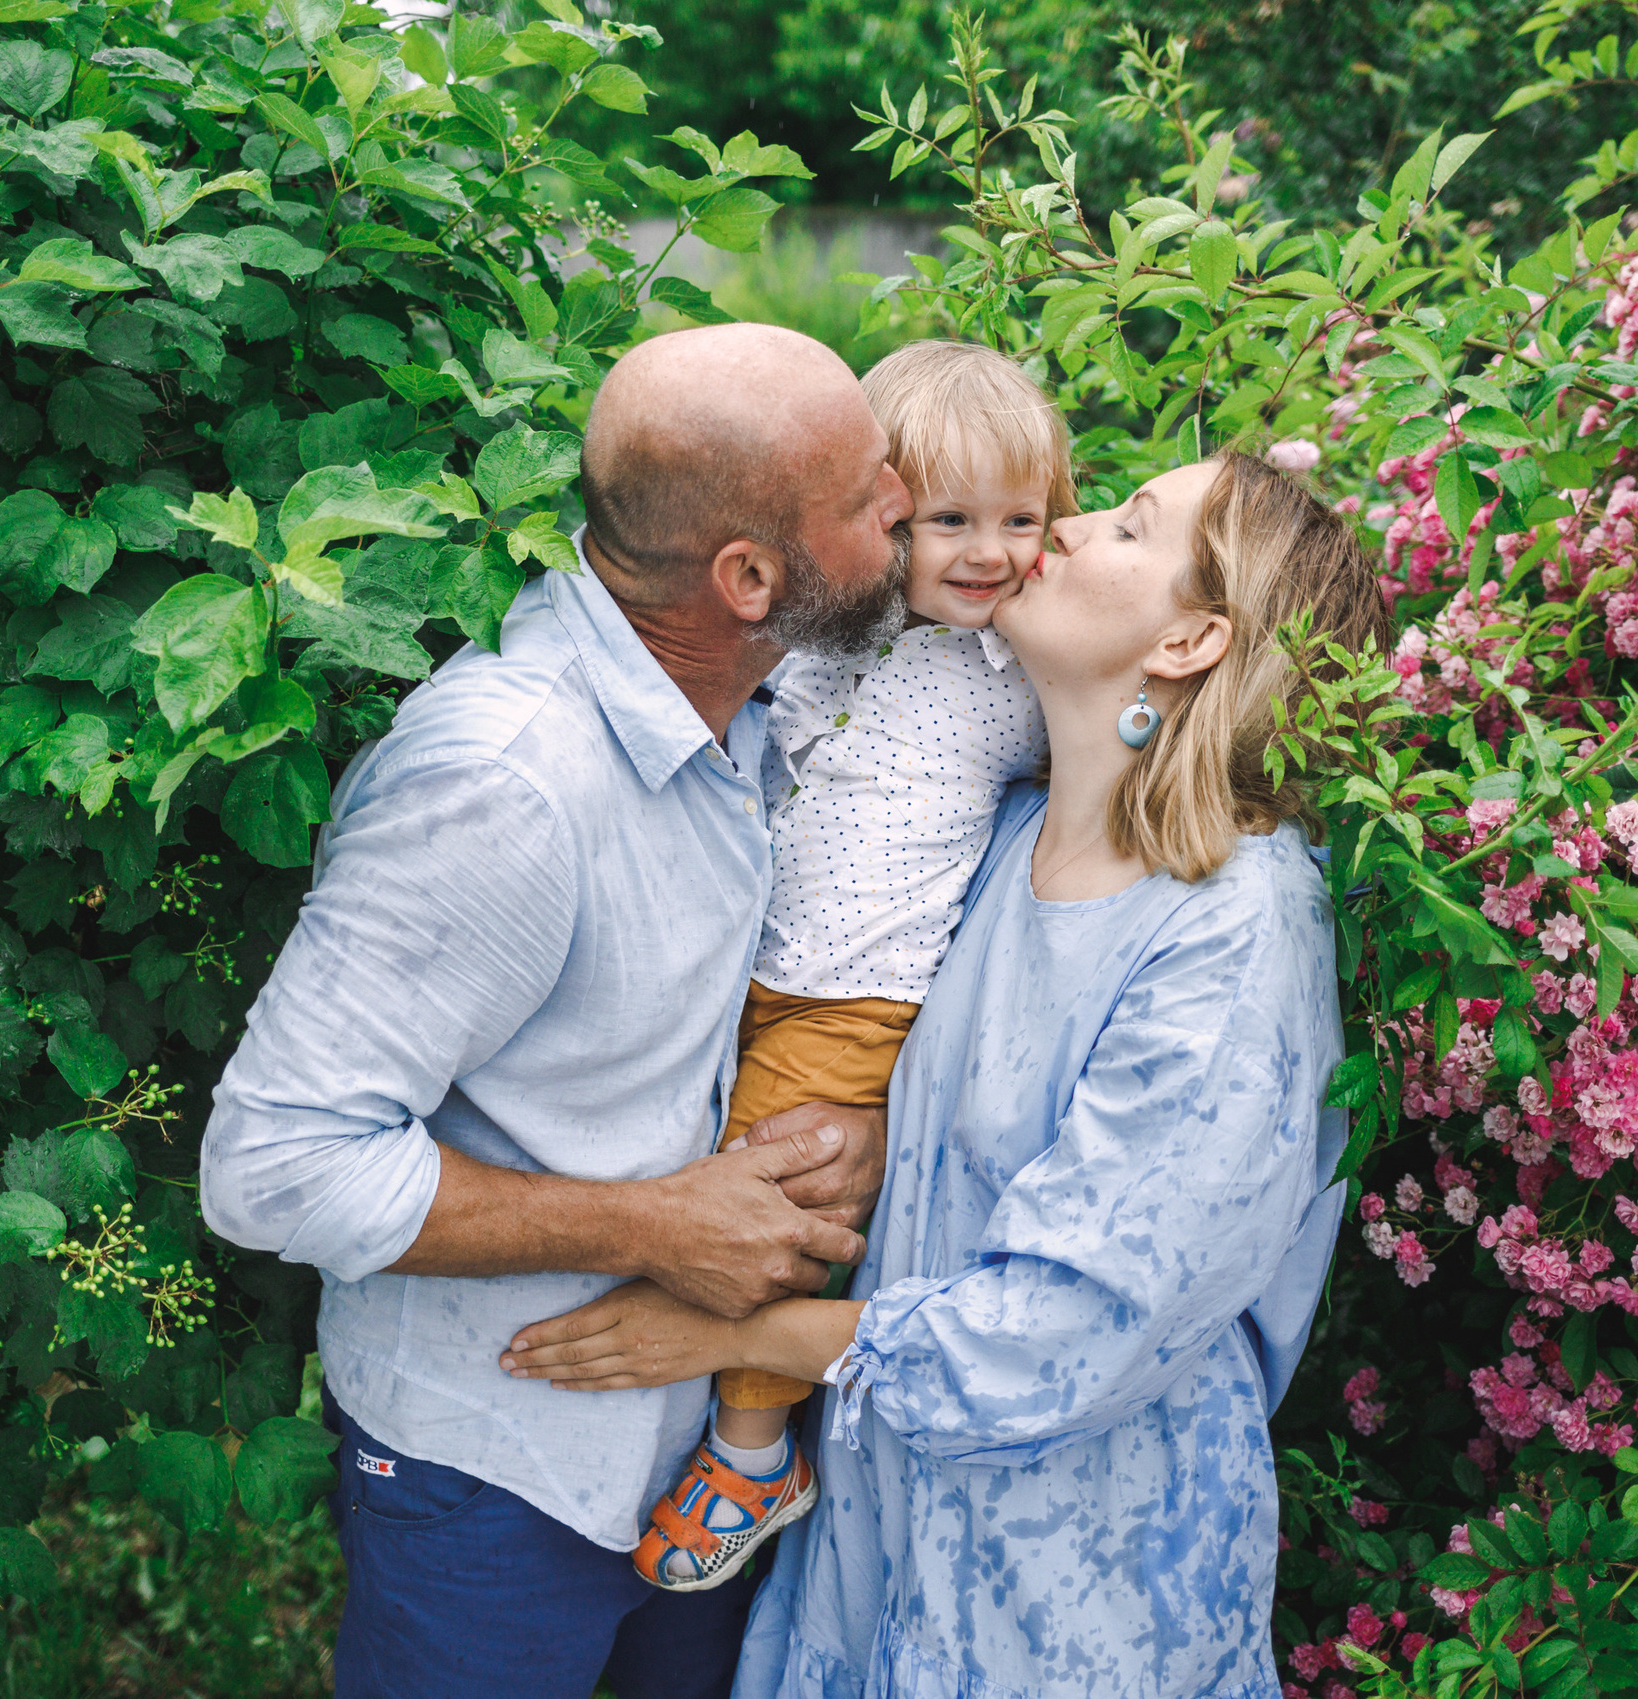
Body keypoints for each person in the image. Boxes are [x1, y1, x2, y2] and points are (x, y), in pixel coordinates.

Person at [499, 449, 1391, 1699]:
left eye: (1129, 530)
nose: (1066, 530)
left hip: (1076, 1600)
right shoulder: (996, 834)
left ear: (1190, 641)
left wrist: (729, 1331)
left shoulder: (1235, 928)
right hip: (872, 1561)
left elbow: (1071, 1335)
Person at [198, 322, 916, 1699]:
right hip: (499, 1470)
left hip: (699, 1453)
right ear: (750, 576)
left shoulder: (749, 707)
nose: (905, 500)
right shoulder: (507, 786)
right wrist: (650, 1221)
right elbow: (275, 1164)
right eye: (868, 488)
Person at [633, 341, 1076, 1594]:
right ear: (885, 514)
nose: (986, 551)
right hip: (752, 963)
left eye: (1020, 520)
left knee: (778, 1197)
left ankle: (753, 1449)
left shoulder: (1021, 674)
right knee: (693, 1156)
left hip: (863, 1000)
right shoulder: (830, 636)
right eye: (947, 519)